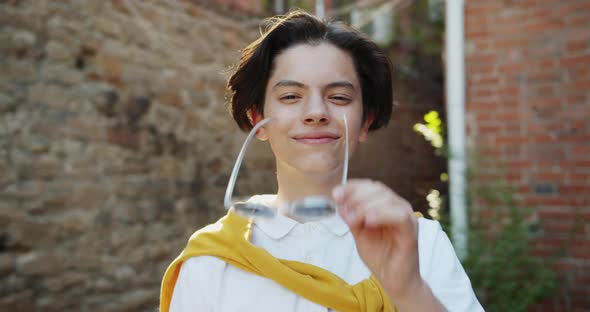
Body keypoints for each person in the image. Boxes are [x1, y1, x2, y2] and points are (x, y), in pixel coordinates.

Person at [160, 10, 484, 312]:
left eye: (339, 97)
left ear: (366, 122)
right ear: (258, 117)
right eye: (290, 96)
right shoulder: (210, 262)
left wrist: (409, 289)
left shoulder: (420, 244)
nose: (316, 113)